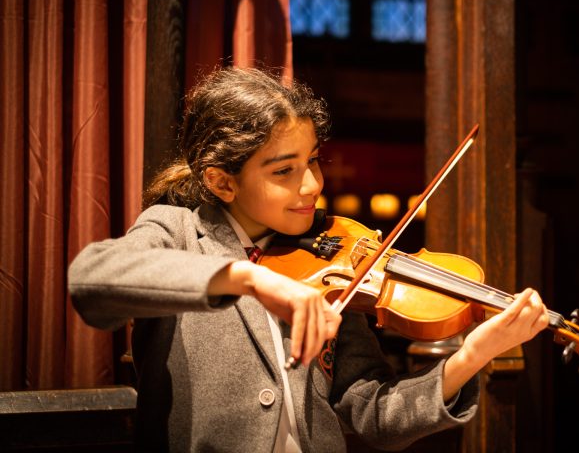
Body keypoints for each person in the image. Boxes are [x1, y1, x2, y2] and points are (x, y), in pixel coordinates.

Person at [68, 66, 549, 452]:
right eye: (284, 171)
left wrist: (469, 358)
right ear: (221, 181)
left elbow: (372, 416)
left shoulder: (335, 268)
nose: (312, 185)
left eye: (314, 160)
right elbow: (92, 280)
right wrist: (247, 279)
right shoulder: (177, 232)